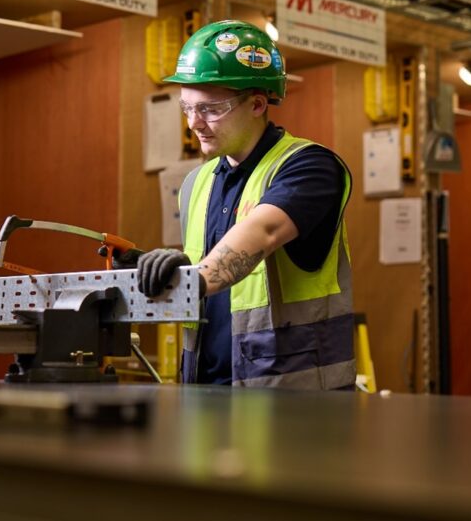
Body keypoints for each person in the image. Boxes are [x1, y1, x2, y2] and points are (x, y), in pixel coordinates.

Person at [135, 20, 355, 390]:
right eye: (187, 108)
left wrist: (190, 280)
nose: (194, 124)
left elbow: (263, 232)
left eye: (210, 109)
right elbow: (204, 266)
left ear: (256, 103)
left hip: (296, 401)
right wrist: (149, 273)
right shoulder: (196, 183)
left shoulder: (310, 167)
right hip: (204, 393)